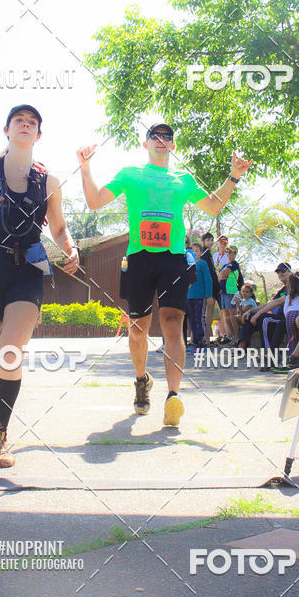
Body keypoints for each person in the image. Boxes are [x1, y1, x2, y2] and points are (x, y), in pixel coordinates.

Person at [77, 123, 252, 426]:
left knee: (173, 323)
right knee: (138, 330)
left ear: (173, 146)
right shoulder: (131, 175)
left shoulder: (182, 180)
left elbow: (212, 206)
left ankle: (173, 396)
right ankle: (142, 379)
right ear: (145, 144)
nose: (161, 140)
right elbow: (94, 202)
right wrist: (85, 167)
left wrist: (233, 176)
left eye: (167, 137)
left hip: (173, 259)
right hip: (139, 259)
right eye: (155, 136)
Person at [0, 105, 79, 468]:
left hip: (28, 269)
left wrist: (70, 249)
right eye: (19, 121)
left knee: (10, 351)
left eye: (32, 123)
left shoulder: (49, 181)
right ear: (7, 130)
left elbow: (58, 229)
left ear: (38, 135)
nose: (25, 126)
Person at [186, 242, 212, 352]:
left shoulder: (202, 264)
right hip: (189, 296)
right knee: (192, 319)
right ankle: (195, 342)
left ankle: (201, 342)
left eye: (197, 251)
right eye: (192, 251)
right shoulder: (187, 265)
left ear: (201, 253)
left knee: (199, 318)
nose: (195, 253)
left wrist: (209, 296)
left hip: (199, 296)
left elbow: (208, 280)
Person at [201, 232, 221, 342]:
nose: (210, 242)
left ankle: (205, 338)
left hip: (209, 288)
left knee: (206, 314)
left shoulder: (208, 253)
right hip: (208, 289)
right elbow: (209, 274)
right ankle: (206, 339)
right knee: (207, 314)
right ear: (203, 241)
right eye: (208, 240)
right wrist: (216, 288)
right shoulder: (204, 253)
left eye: (212, 240)